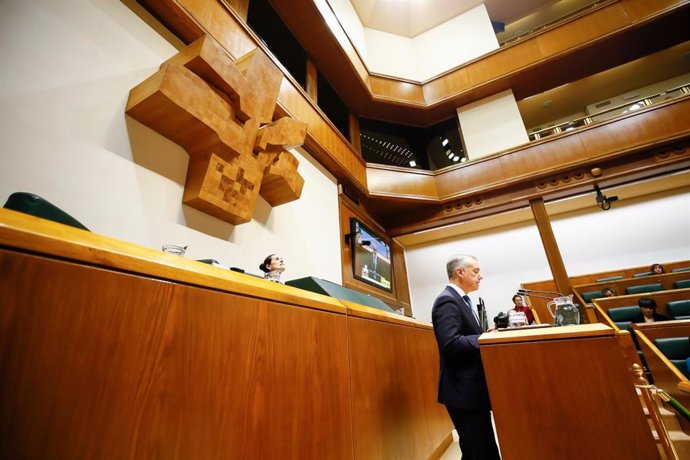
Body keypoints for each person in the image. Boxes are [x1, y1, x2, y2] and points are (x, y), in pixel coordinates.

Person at [431, 254, 501, 460]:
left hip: (470, 389)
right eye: (476, 271)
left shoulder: (461, 300)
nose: (481, 276)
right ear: (460, 272)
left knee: (478, 449)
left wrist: (483, 336)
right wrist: (483, 338)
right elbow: (451, 343)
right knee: (480, 451)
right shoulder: (447, 300)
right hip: (462, 390)